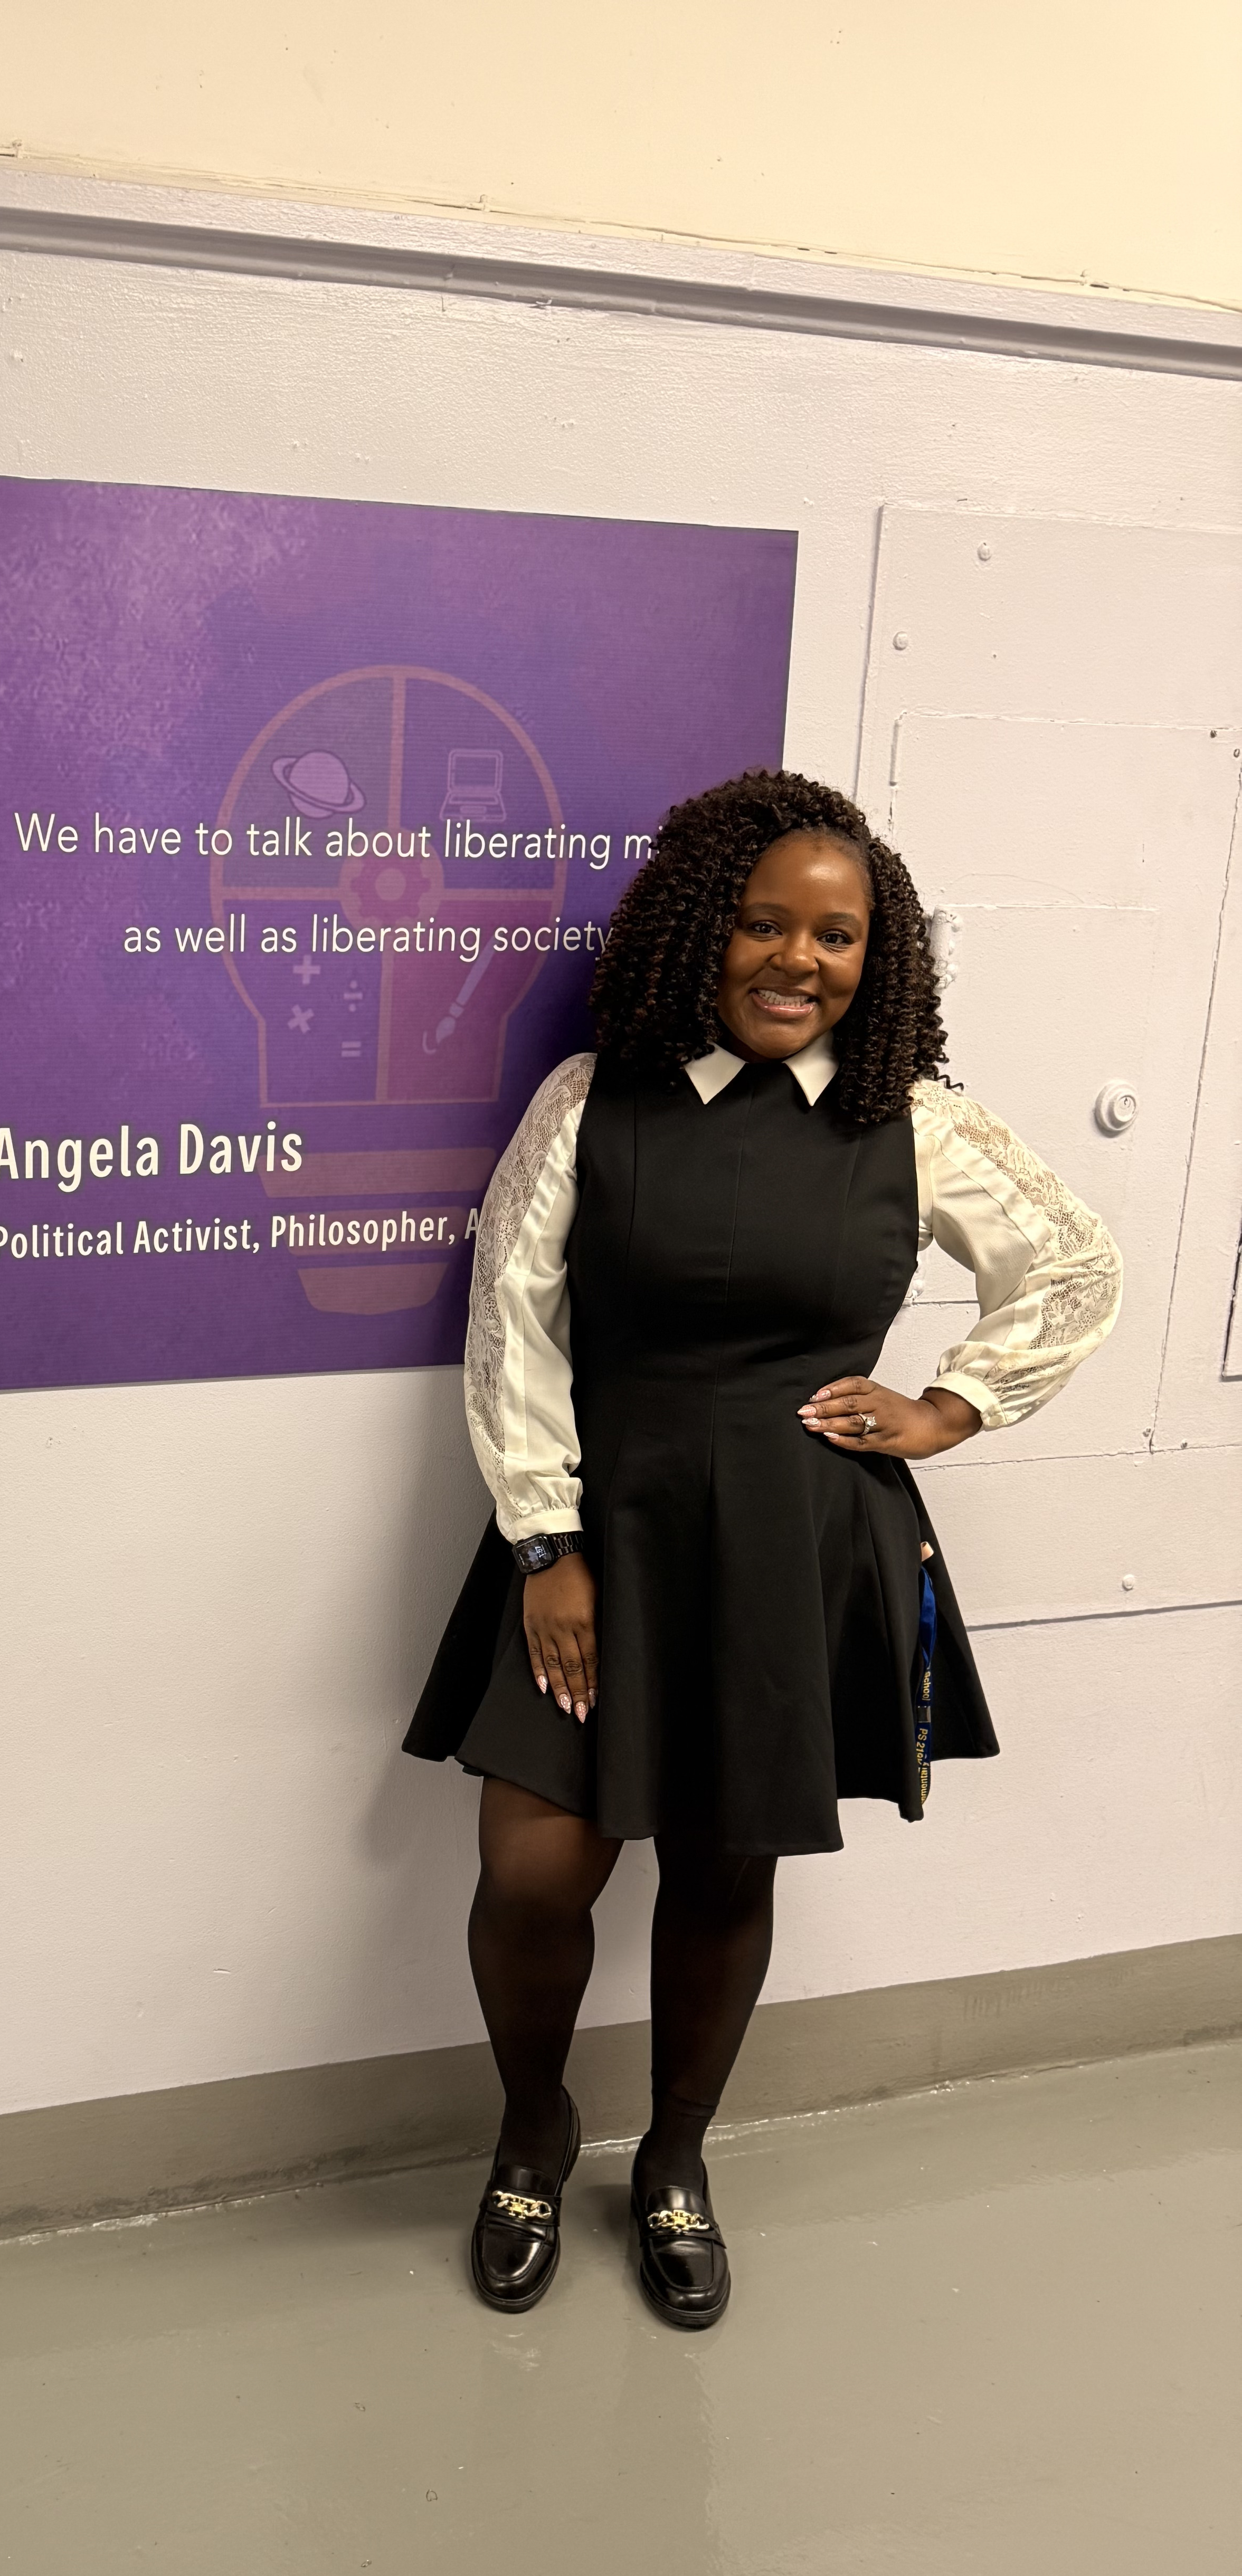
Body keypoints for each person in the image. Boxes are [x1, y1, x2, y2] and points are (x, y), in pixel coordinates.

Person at [404, 770, 1120, 2329]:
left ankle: (673, 2162)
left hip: (793, 1540)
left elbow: (1073, 1267)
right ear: (697, 930)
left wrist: (950, 1407)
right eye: (764, 924)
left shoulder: (910, 1126)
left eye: (839, 936)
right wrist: (546, 1547)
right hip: (604, 1530)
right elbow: (507, 1327)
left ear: (880, 958)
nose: (798, 961)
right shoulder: (594, 1102)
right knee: (535, 1872)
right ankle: (534, 2133)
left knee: (724, 1867)